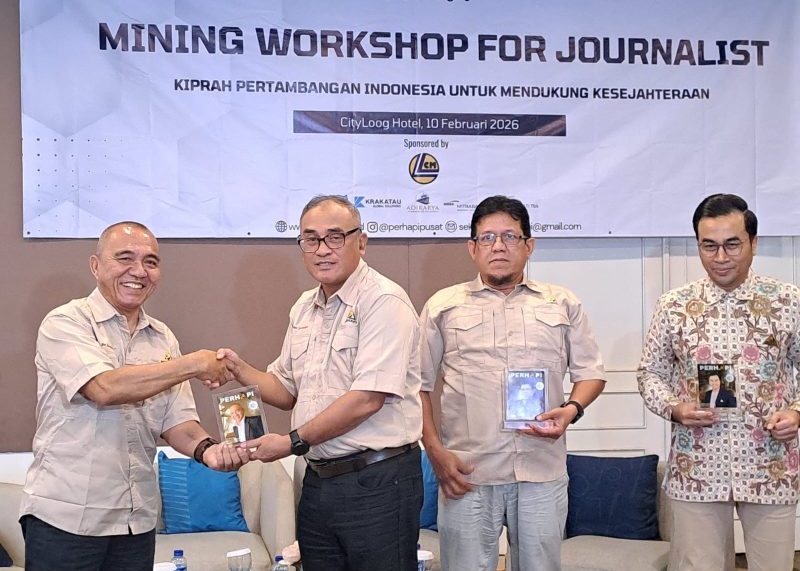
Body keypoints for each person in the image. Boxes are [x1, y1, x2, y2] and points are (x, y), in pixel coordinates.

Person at [19, 221, 247, 571]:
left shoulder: (163, 338)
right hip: (67, 520)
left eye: (150, 262)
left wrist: (209, 451)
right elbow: (104, 388)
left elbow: (178, 423)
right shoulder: (65, 322)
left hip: (136, 522)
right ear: (96, 266)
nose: (139, 271)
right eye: (125, 258)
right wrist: (194, 363)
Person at [218, 195, 423, 571]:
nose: (322, 249)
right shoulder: (303, 307)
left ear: (361, 242)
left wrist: (291, 442)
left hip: (377, 481)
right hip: (319, 480)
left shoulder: (384, 301)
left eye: (335, 237)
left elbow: (367, 399)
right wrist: (239, 369)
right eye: (311, 239)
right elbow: (286, 390)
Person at [419, 195, 606, 571]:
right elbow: (416, 386)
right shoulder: (443, 306)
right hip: (469, 473)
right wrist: (435, 452)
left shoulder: (561, 303)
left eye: (510, 236)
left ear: (529, 245)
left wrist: (571, 410)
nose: (499, 246)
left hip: (541, 469)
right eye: (487, 238)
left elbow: (591, 373)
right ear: (472, 248)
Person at [638, 193, 800, 571]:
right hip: (697, 464)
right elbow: (650, 373)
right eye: (709, 246)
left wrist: (796, 412)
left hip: (770, 463)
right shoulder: (675, 304)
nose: (721, 257)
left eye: (732, 244)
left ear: (753, 243)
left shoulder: (788, 301)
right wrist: (675, 408)